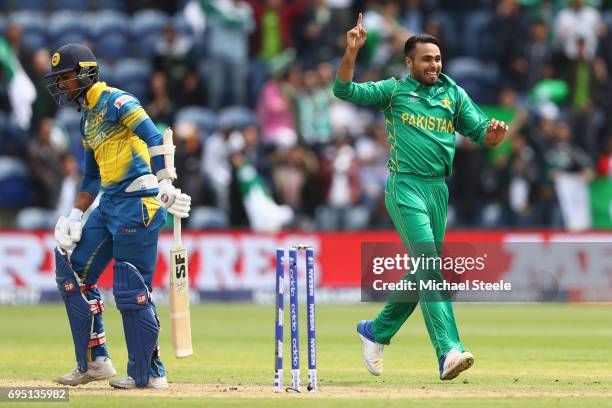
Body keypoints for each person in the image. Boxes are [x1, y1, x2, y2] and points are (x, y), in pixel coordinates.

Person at [333, 15, 507, 381]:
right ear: (409, 62)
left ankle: (376, 331)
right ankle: (449, 351)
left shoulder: (453, 93)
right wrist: (351, 52)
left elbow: (481, 134)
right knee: (429, 265)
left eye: (438, 59)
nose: (434, 65)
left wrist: (494, 134)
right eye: (426, 59)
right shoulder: (394, 91)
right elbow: (344, 91)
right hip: (405, 186)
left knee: (421, 272)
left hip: (438, 190)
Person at [46, 44, 191, 389]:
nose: (62, 85)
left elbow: (153, 136)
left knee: (130, 287)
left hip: (139, 202)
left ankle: (150, 372)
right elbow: (91, 177)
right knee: (73, 276)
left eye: (65, 78)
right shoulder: (86, 119)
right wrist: (75, 214)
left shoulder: (118, 101)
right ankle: (96, 362)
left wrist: (165, 183)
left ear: (85, 73)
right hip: (108, 204)